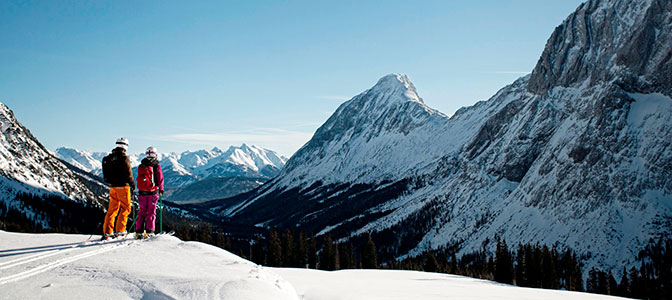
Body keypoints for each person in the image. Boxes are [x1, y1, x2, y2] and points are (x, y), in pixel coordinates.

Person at [101, 137, 136, 240]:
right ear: (125, 146)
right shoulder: (124, 158)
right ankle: (120, 231)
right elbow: (128, 173)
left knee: (112, 209)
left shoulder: (110, 158)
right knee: (125, 208)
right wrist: (132, 184)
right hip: (123, 186)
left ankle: (107, 232)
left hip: (113, 187)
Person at [135, 146, 164, 239]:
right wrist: (161, 189)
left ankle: (138, 231)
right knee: (151, 212)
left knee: (142, 212)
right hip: (152, 193)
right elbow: (160, 179)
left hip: (142, 193)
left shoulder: (141, 166)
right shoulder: (156, 166)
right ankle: (150, 231)